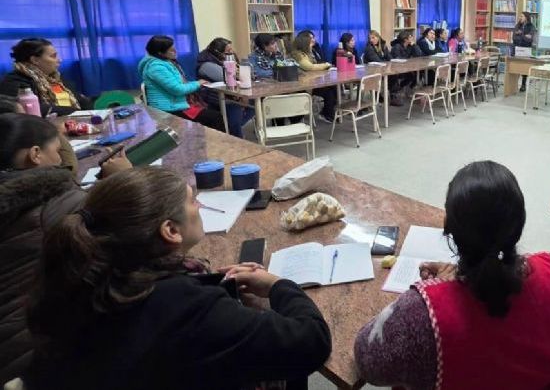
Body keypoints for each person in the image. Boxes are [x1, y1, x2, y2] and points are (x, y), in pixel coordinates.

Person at [25, 167, 331, 390]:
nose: (200, 206)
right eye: (193, 201)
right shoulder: (187, 307)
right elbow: (311, 342)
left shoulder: (82, 281)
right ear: (171, 230)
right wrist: (278, 285)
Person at [355, 161, 550, 390]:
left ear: (448, 226)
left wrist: (438, 290)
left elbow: (367, 362)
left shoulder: (420, 315)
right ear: (519, 225)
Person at [0, 113, 129, 382]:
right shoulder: (54, 208)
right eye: (57, 150)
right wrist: (124, 180)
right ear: (35, 154)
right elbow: (133, 229)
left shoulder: (16, 198)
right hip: (35, 357)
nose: (61, 159)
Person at [138, 35, 226, 132]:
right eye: (171, 50)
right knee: (215, 117)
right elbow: (178, 89)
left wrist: (197, 83)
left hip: (175, 103)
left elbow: (178, 84)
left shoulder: (165, 63)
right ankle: (219, 141)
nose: (175, 51)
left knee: (211, 112)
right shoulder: (156, 68)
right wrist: (197, 84)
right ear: (160, 53)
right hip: (168, 109)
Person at [0, 38, 91, 116]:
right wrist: (75, 112)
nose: (59, 60)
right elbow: (33, 109)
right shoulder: (15, 81)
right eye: (53, 56)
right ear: (35, 60)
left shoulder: (55, 78)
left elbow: (80, 101)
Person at [195, 37, 254, 138]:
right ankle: (236, 136)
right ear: (218, 52)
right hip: (215, 97)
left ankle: (232, 128)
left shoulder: (224, 60)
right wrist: (236, 70)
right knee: (235, 107)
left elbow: (244, 76)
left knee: (254, 103)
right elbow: (230, 77)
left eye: (231, 49)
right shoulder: (206, 65)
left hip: (231, 94)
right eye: (228, 50)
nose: (232, 52)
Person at [291, 31, 337, 123]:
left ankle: (327, 113)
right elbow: (309, 67)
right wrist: (326, 65)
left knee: (332, 88)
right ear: (304, 40)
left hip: (313, 82)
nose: (314, 40)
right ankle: (294, 119)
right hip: (302, 86)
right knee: (329, 90)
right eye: (311, 38)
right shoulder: (298, 54)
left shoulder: (312, 51)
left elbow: (318, 62)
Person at [512, 13, 535, 92]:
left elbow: (530, 40)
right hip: (517, 49)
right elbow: (514, 38)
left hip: (526, 50)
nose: (520, 17)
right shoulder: (517, 26)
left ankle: (523, 84)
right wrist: (525, 36)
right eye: (520, 16)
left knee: (524, 68)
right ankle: (513, 85)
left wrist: (521, 34)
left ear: (526, 17)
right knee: (515, 67)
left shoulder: (531, 27)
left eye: (522, 16)